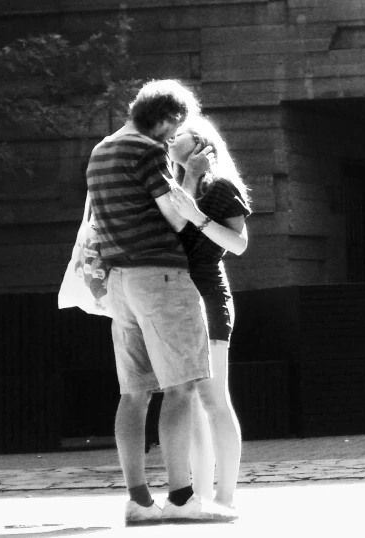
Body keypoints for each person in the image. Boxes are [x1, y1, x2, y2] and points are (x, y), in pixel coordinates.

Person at [86, 79, 235, 525]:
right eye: (175, 128)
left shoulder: (100, 151)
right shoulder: (147, 152)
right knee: (182, 386)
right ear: (167, 118)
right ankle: (183, 497)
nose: (173, 138)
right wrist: (188, 176)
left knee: (132, 394)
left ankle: (138, 500)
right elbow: (173, 216)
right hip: (162, 277)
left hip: (120, 282)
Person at [166, 115, 252, 511]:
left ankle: (226, 498)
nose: (170, 137)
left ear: (201, 143)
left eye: (178, 133)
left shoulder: (220, 187)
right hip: (177, 300)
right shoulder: (171, 187)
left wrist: (198, 217)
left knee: (214, 400)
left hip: (209, 298)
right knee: (196, 405)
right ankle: (200, 498)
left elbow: (238, 244)